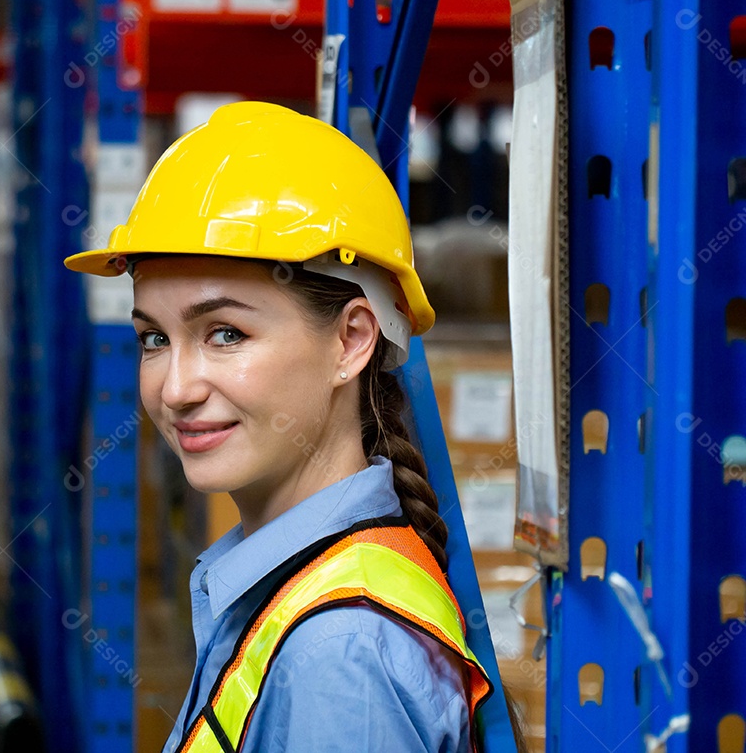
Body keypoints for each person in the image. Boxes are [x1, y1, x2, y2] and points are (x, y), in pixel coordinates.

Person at [64, 102, 525, 752]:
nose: (175, 389)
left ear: (351, 340)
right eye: (152, 339)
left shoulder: (340, 658)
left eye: (226, 334)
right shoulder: (299, 594)